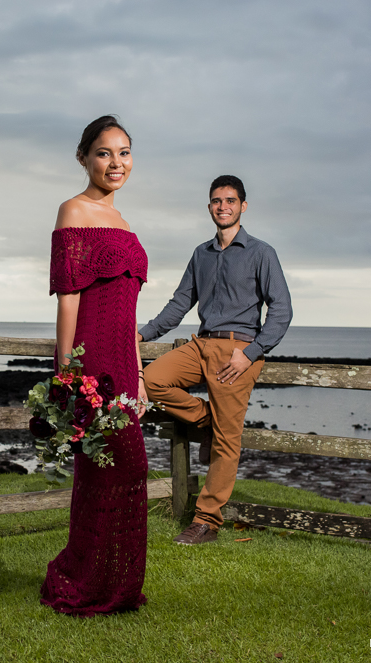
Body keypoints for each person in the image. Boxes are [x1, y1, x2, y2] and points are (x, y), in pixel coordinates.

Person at [138, 175, 292, 545]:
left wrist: (251, 354)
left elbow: (281, 311)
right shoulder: (201, 254)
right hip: (201, 344)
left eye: (230, 200)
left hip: (238, 353)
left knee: (228, 441)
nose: (223, 206)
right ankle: (208, 420)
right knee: (154, 378)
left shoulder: (261, 252)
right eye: (216, 201)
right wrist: (141, 334)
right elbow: (179, 304)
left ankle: (206, 521)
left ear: (243, 205)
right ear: (209, 207)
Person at [40, 115, 150, 615]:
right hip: (91, 366)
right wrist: (67, 375)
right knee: (108, 473)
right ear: (84, 157)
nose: (116, 163)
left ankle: (117, 586)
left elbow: (129, 314)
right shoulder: (73, 211)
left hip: (124, 368)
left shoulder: (126, 224)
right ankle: (79, 581)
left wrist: (142, 376)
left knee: (128, 474)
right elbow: (68, 300)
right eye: (105, 153)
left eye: (124, 152)